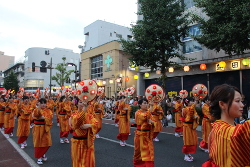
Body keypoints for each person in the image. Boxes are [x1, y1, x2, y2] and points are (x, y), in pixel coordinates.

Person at [202, 84, 250, 167]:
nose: (242, 105)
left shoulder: (218, 128)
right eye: (237, 101)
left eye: (241, 101)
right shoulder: (227, 131)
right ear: (222, 104)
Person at [69, 100, 98, 167]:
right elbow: (77, 122)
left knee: (88, 162)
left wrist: (89, 125)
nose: (83, 104)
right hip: (77, 142)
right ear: (77, 104)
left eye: (85, 103)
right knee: (77, 162)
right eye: (81, 102)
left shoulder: (90, 116)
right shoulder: (73, 115)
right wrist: (84, 109)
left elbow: (95, 124)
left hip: (87, 142)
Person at [133, 99, 154, 167]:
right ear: (140, 105)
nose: (146, 104)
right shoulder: (138, 113)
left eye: (146, 103)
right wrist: (151, 106)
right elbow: (145, 117)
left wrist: (152, 122)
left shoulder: (148, 112)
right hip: (140, 135)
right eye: (144, 103)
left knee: (149, 153)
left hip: (147, 135)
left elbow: (152, 120)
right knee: (139, 153)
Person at [32, 98, 53, 165]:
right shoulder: (36, 110)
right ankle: (39, 157)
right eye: (42, 103)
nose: (43, 105)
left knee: (47, 142)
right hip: (38, 128)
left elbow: (50, 118)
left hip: (45, 128)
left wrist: (43, 118)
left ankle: (42, 153)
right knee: (38, 142)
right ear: (39, 103)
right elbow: (36, 115)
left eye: (44, 103)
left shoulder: (48, 110)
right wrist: (43, 116)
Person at [182, 97, 199, 162]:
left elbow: (195, 114)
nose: (192, 102)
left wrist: (196, 117)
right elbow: (188, 116)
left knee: (193, 140)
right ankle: (186, 155)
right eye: (191, 101)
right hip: (187, 126)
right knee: (187, 141)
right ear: (187, 102)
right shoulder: (185, 109)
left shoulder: (192, 109)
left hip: (192, 126)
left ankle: (188, 153)